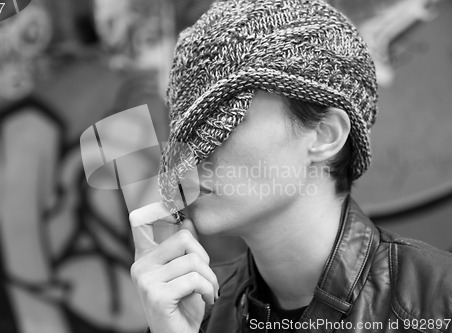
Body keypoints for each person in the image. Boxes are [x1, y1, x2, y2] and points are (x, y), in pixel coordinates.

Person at [130, 0, 452, 332]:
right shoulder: (198, 307)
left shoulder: (438, 302)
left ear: (325, 134)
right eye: (186, 130)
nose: (191, 155)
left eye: (224, 121)